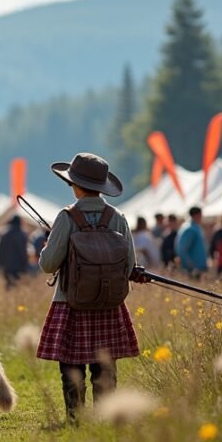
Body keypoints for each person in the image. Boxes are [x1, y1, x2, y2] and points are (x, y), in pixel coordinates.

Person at [36, 153, 141, 424]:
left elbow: (48, 264)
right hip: (109, 304)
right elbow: (130, 265)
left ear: (76, 185)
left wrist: (47, 248)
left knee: (71, 365)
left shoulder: (66, 216)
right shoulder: (117, 217)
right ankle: (107, 420)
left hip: (70, 302)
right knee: (104, 367)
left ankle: (75, 420)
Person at [175, 207, 208, 278]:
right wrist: (191, 265)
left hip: (197, 268)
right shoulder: (190, 229)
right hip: (193, 270)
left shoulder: (193, 227)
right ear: (197, 215)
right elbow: (182, 250)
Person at [0, 215, 28, 289]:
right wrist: (25, 263)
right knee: (17, 285)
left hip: (6, 265)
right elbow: (23, 251)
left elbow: (0, 250)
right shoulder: (22, 234)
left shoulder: (4, 234)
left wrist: (1, 262)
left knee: (8, 284)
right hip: (18, 265)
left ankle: (7, 299)